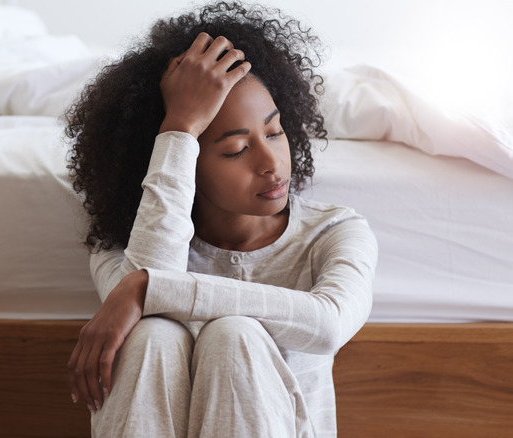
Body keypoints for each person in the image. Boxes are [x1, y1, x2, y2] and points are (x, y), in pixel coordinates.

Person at [64, 2, 378, 437]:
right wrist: (180, 127)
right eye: (235, 150)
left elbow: (328, 325)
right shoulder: (122, 247)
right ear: (184, 160)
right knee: (151, 334)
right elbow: (151, 276)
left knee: (235, 336)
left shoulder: (334, 232)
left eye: (274, 132)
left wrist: (146, 288)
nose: (271, 163)